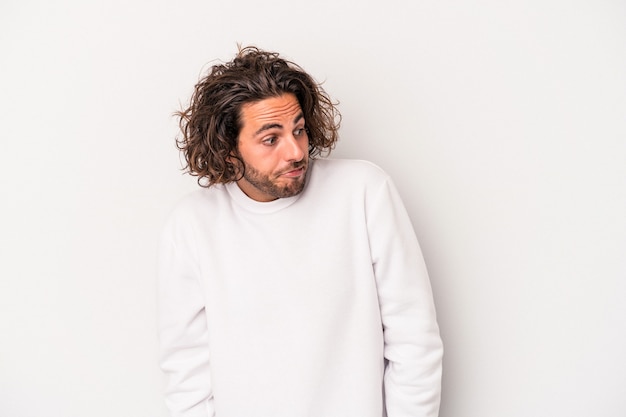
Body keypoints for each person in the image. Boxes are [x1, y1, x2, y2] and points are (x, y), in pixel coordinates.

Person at [157, 46, 443, 417]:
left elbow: (413, 340)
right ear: (229, 150)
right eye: (271, 138)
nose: (295, 151)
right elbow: (186, 375)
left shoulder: (363, 191)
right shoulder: (192, 225)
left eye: (299, 130)